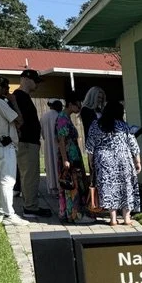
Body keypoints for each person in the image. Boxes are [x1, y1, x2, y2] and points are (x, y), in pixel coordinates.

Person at [0, 75, 29, 226]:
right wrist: (13, 101)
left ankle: (2, 211)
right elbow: (19, 120)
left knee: (1, 181)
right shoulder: (0, 103)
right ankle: (10, 214)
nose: (7, 91)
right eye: (6, 88)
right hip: (5, 145)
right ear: (0, 87)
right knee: (9, 181)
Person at [87, 101, 142, 226]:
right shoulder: (124, 125)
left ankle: (113, 219)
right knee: (126, 187)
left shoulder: (96, 124)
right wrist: (137, 161)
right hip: (124, 159)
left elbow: (90, 144)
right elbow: (133, 144)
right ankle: (127, 219)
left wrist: (90, 161)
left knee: (108, 188)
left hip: (103, 160)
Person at [12, 69, 51, 217]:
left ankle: (31, 204)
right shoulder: (18, 97)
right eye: (36, 81)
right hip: (26, 142)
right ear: (26, 79)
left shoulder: (23, 97)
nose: (37, 85)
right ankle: (30, 207)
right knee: (29, 175)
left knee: (31, 174)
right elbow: (17, 120)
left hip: (30, 142)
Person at [54, 93, 93, 224]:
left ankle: (69, 213)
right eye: (78, 104)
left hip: (73, 156)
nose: (80, 107)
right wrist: (65, 159)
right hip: (69, 157)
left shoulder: (66, 118)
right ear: (70, 104)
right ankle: (75, 215)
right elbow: (61, 140)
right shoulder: (62, 118)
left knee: (72, 185)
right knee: (73, 186)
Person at [81, 86, 107, 214]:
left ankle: (104, 202)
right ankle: (94, 203)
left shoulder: (101, 111)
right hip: (94, 146)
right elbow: (92, 128)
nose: (100, 100)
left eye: (102, 98)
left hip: (104, 146)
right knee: (94, 175)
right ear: (92, 97)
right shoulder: (86, 110)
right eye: (98, 97)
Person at [40, 99, 63, 198]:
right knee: (58, 164)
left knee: (50, 165)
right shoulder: (59, 116)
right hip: (57, 144)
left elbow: (43, 134)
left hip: (48, 145)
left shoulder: (44, 117)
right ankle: (60, 187)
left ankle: (52, 187)